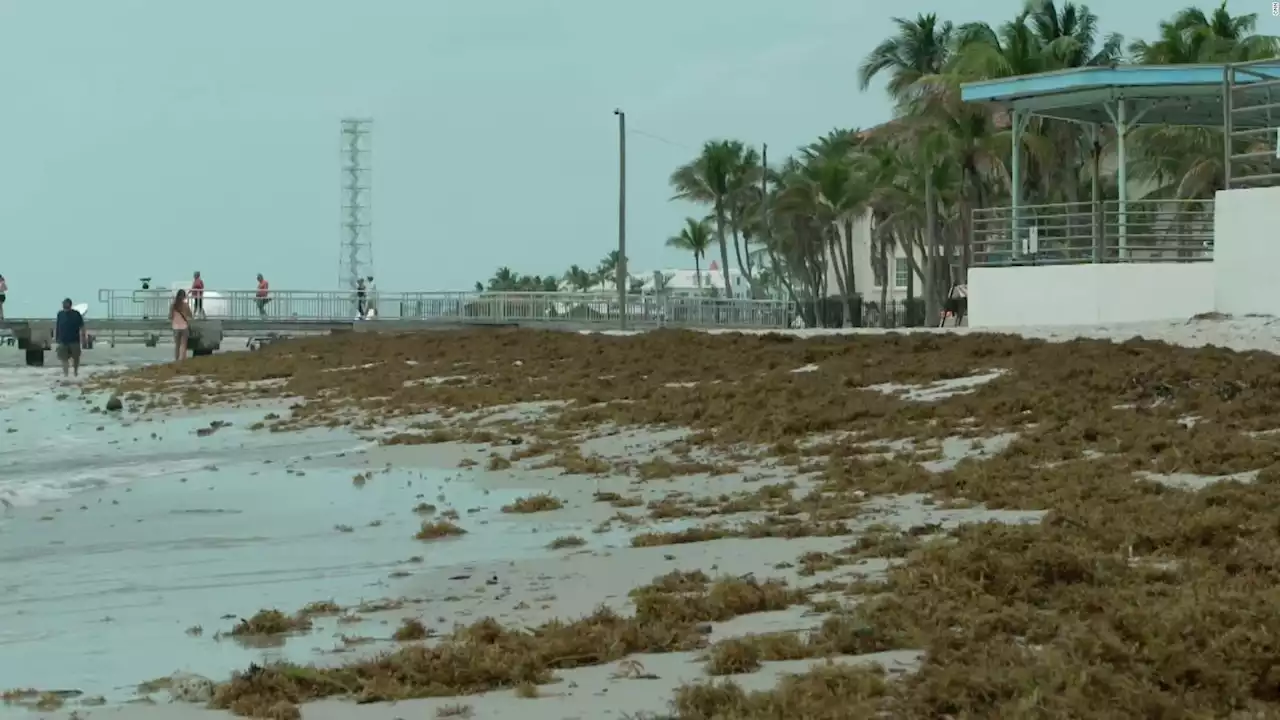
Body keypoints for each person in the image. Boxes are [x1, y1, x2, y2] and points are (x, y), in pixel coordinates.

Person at [55, 298, 86, 378]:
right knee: (63, 359)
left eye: (66, 303)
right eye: (63, 303)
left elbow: (82, 326)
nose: (64, 305)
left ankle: (75, 372)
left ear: (70, 304)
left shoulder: (76, 314)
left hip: (74, 340)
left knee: (76, 357)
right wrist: (57, 338)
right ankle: (66, 374)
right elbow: (58, 326)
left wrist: (83, 337)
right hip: (63, 340)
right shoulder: (60, 314)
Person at [170, 289, 192, 363]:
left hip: (175, 327)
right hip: (184, 326)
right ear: (184, 296)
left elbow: (170, 316)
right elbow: (190, 315)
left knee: (177, 345)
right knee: (184, 345)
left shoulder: (173, 305)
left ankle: (176, 360)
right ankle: (183, 360)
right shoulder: (185, 305)